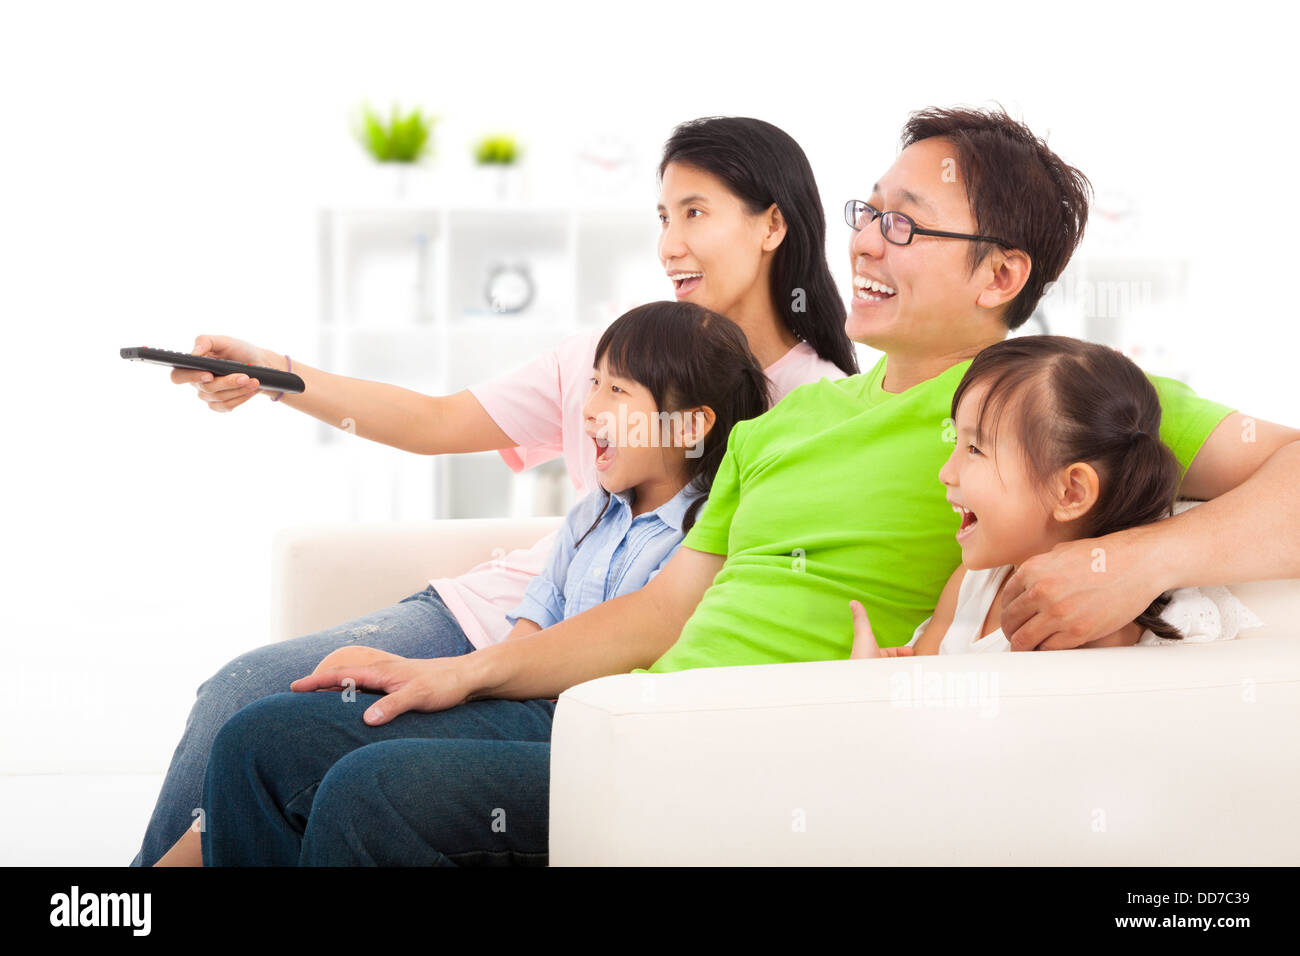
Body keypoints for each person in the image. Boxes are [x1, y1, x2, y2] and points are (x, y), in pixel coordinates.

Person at [189, 106, 1300, 866]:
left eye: (904, 222)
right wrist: (463, 673)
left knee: (371, 794)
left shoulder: (1035, 405)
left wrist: (1135, 557)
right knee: (264, 740)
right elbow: (665, 608)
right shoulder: (796, 412)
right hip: (622, 709)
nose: (864, 239)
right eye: (868, 211)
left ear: (999, 274)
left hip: (737, 744)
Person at [131, 115, 856, 867]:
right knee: (240, 693)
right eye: (663, 217)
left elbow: (702, 609)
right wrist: (276, 375)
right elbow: (435, 419)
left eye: (695, 213)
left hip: (590, 674)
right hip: (502, 617)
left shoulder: (817, 406)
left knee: (294, 742)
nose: (670, 244)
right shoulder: (610, 353)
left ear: (772, 224)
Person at [850, 335, 1214, 658]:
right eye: (956, 443)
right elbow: (923, 676)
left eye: (975, 448)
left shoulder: (1087, 629)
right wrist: (880, 676)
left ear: (1070, 492)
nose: (946, 473)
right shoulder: (973, 580)